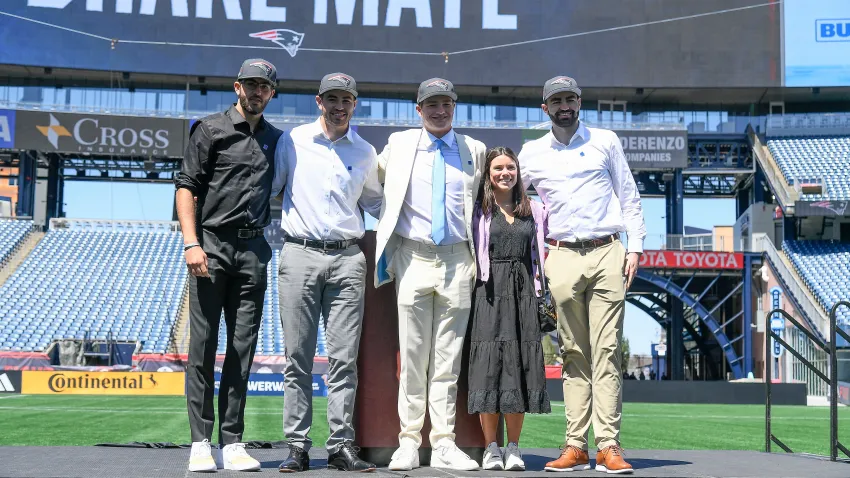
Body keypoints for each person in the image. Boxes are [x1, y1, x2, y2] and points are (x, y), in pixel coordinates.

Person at [519, 76, 646, 475]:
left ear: (579, 102)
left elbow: (629, 196)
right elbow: (507, 194)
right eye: (556, 100)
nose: (565, 105)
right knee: (573, 353)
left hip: (608, 251)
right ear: (546, 108)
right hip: (560, 257)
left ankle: (609, 445)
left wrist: (636, 247)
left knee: (606, 351)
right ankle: (576, 445)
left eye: (571, 98)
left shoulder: (605, 140)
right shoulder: (532, 151)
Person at [175, 58, 282, 473]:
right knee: (202, 348)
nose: (257, 92)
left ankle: (232, 442)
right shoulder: (210, 129)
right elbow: (187, 187)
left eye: (265, 87)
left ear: (272, 93)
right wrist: (191, 243)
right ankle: (200, 442)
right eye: (251, 85)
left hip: (253, 252)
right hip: (211, 247)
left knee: (242, 351)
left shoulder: (277, 139)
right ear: (238, 87)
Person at [373, 78, 486, 472]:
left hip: (458, 259)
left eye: (447, 104)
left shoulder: (474, 150)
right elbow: (370, 185)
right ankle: (408, 442)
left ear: (454, 107)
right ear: (418, 110)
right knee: (414, 356)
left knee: (447, 361)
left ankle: (443, 444)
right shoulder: (400, 144)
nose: (440, 111)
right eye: (432, 105)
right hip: (413, 257)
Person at [273, 73, 381, 473]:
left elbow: (375, 204)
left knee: (343, 360)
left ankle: (340, 446)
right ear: (319, 101)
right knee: (297, 358)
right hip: (299, 253)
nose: (340, 105)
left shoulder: (366, 151)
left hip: (348, 258)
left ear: (355, 104)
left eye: (347, 99)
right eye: (332, 98)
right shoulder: (293, 141)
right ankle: (298, 447)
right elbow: (272, 188)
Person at [468, 146, 551, 471]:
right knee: (488, 368)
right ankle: (491, 448)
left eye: (510, 167)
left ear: (518, 172)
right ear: (488, 174)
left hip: (524, 295)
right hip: (487, 293)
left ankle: (513, 448)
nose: (505, 173)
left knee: (518, 366)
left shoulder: (535, 210)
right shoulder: (478, 211)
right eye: (498, 168)